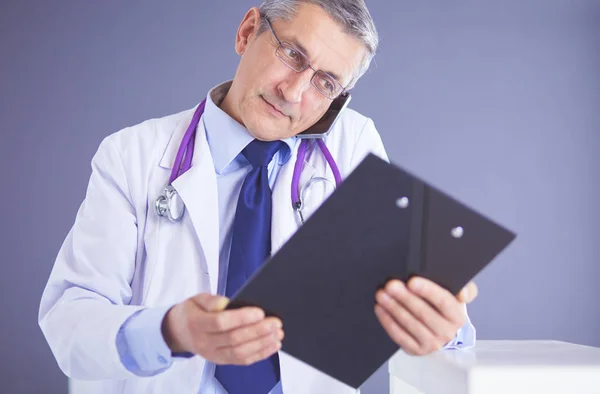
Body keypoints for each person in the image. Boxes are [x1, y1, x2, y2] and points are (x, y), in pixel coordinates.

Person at [39, 1, 478, 393]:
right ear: (247, 31)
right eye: (292, 54)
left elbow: (409, 298)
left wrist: (442, 325)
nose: (294, 92)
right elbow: (70, 322)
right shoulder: (133, 154)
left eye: (325, 83)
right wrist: (173, 331)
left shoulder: (352, 144)